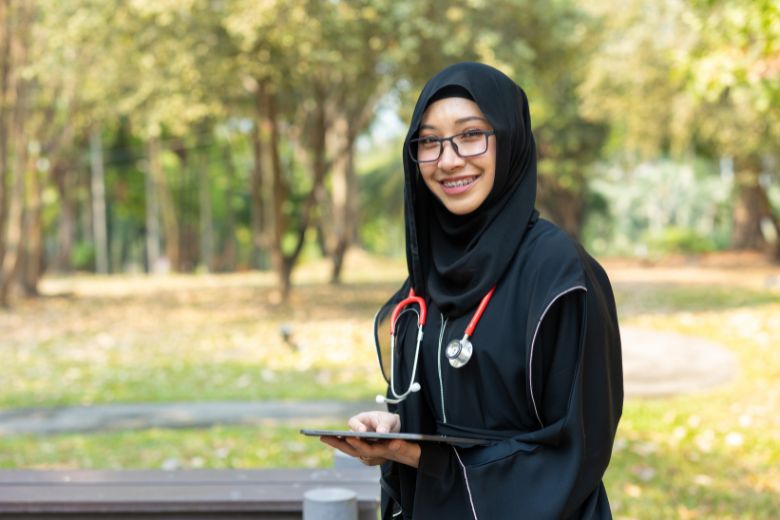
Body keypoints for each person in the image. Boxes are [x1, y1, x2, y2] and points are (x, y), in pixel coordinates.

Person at [321, 62, 623, 519]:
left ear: (510, 140)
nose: (448, 160)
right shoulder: (425, 280)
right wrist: (394, 429)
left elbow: (575, 448)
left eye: (470, 134)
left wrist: (424, 458)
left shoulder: (559, 274)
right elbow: (442, 413)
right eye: (429, 141)